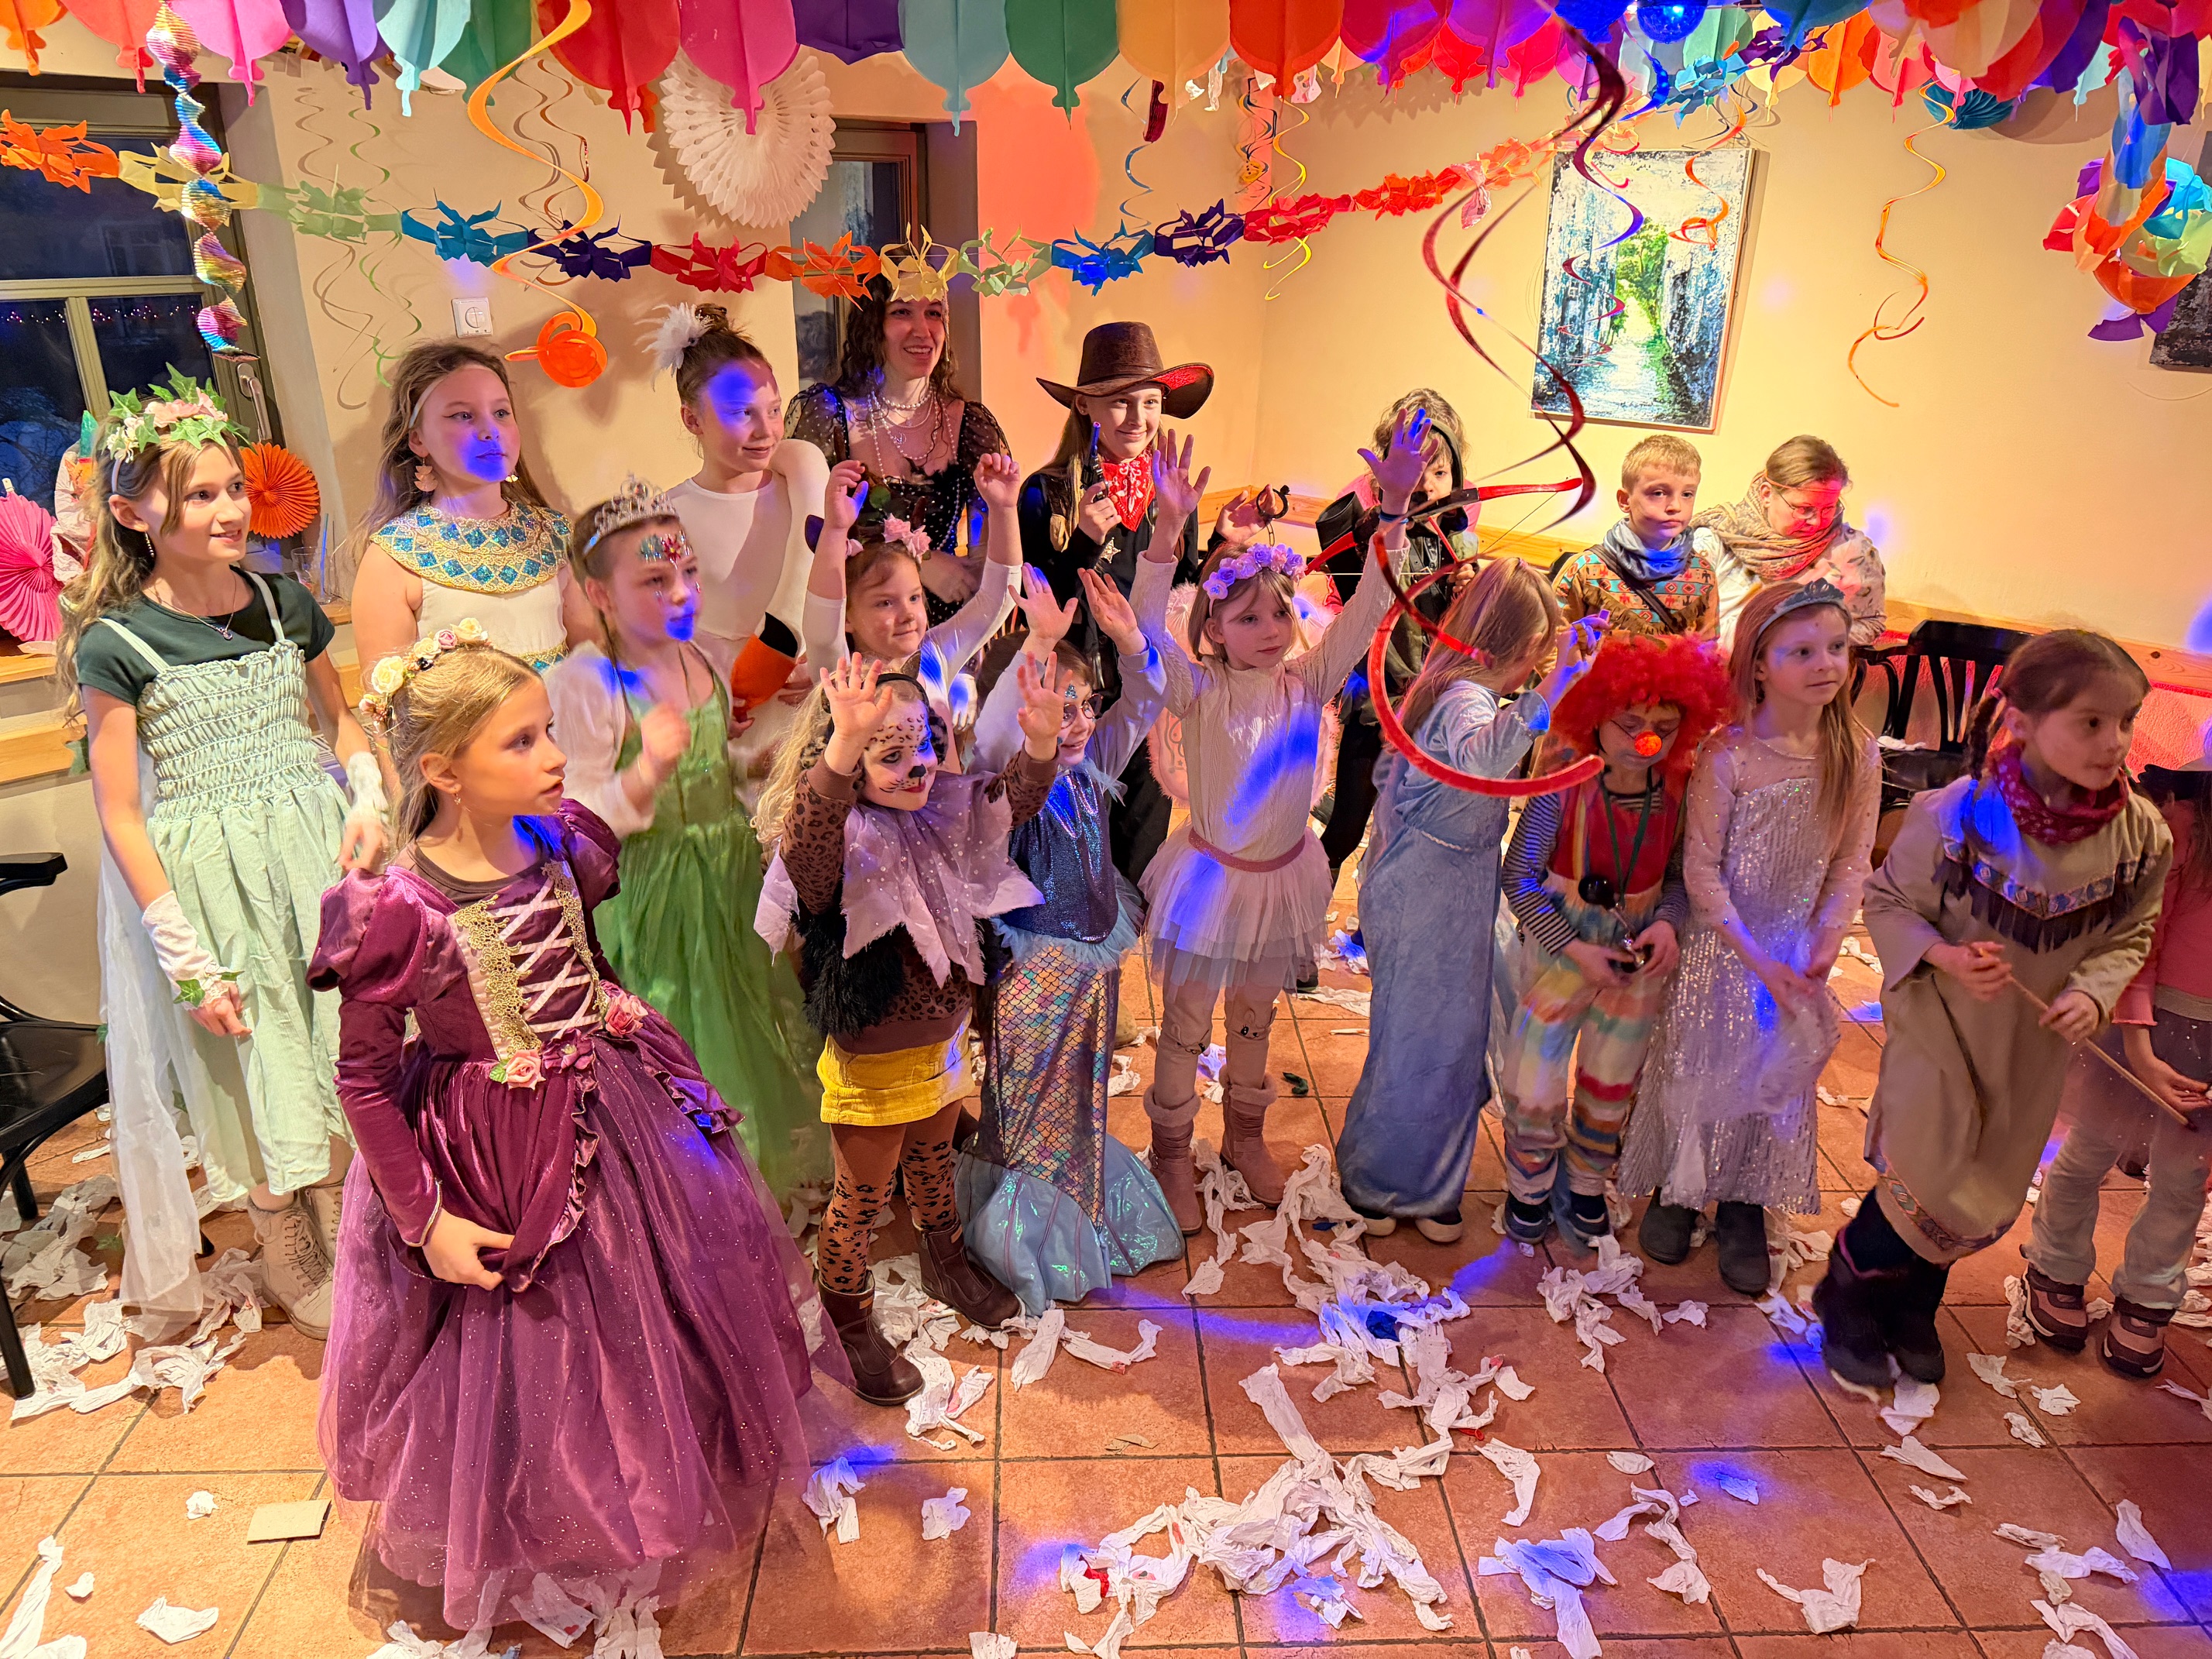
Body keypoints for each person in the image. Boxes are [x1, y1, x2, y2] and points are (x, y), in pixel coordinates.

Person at [311, 635, 838, 1636]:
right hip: (495, 1155)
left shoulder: (558, 839)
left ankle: (649, 1497)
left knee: (654, 1316)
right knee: (531, 1354)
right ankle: (543, 1530)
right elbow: (364, 1079)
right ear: (442, 770)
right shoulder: (399, 909)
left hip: (616, 1110)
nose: (555, 756)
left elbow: (585, 957)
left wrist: (620, 1023)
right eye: (522, 741)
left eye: (549, 731)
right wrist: (426, 1221)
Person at [62, 378, 385, 1340]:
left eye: (234, 488)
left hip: (313, 854)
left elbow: (342, 722)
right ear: (134, 515)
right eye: (199, 495)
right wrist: (181, 950)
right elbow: (121, 812)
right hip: (212, 880)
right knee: (251, 1053)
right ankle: (282, 1235)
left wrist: (368, 796)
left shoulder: (284, 604)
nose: (230, 509)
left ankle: (345, 1213)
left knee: (333, 1038)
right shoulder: (118, 642)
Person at [1813, 630, 2171, 1389]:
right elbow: (1890, 901)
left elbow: (2132, 934)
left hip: (2032, 1045)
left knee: (1984, 1178)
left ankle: (1915, 1305)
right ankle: (1848, 1290)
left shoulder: (2141, 838)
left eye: (2126, 721)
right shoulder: (1956, 816)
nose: (2115, 741)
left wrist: (2093, 990)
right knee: (1930, 1167)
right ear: (2024, 721)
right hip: (1942, 1023)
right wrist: (1943, 956)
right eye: (2091, 722)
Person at [754, 657, 1067, 1401]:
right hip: (874, 1058)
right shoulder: (840, 837)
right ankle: (845, 1312)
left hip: (945, 1040)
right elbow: (806, 852)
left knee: (932, 1158)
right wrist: (841, 751)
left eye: (923, 743)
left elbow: (1008, 803)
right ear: (848, 763)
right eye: (890, 754)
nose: (918, 765)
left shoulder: (945, 814)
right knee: (862, 1195)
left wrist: (1042, 745)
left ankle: (944, 1257)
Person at [1135, 422, 1412, 1230]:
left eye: (1280, 614)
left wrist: (1394, 510)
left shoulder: (1307, 682)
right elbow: (1146, 629)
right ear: (1214, 630)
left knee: (1255, 1017)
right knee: (1186, 1026)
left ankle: (1244, 1137)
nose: (1270, 629)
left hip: (1281, 878)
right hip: (1210, 882)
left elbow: (1371, 607)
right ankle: (1171, 1151)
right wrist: (1166, 530)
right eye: (1249, 618)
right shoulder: (1198, 689)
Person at [544, 478, 830, 1200]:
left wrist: (749, 764)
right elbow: (575, 817)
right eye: (654, 580)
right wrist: (645, 772)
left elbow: (710, 759)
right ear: (601, 594)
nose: (681, 593)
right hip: (653, 891)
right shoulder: (588, 681)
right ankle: (705, 1192)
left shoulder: (694, 654)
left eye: (689, 573)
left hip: (726, 873)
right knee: (688, 1029)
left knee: (745, 1019)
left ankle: (756, 1176)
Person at [1618, 580, 1881, 1294]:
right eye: (1803, 652)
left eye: (1837, 647)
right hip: (1723, 947)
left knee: (1768, 1077)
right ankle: (1679, 1187)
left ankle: (1742, 1201)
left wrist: (1825, 941)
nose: (1826, 664)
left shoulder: (1857, 755)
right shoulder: (1729, 754)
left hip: (1793, 950)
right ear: (1760, 665)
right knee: (1699, 1066)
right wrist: (1757, 960)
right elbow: (1701, 870)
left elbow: (1852, 860)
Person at [1334, 562, 1602, 1239]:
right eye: (1533, 657)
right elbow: (1483, 760)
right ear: (1515, 648)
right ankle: (1385, 1178)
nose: (1534, 670)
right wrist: (1552, 688)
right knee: (1418, 1035)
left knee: (1449, 1036)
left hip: (1452, 884)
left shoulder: (1461, 692)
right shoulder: (1462, 700)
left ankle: (1427, 1176)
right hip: (1427, 888)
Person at [953, 563, 1184, 1305]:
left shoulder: (1096, 761)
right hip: (1029, 966)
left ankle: (1078, 1208)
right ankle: (1026, 1232)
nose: (1075, 721)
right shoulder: (1004, 780)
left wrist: (1131, 644)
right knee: (1027, 1093)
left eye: (1082, 704)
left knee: (1082, 1088)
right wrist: (1035, 656)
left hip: (1092, 961)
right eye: (1056, 707)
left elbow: (1144, 699)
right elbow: (1000, 739)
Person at [1493, 631, 1734, 1247]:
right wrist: (1574, 947)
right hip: (1559, 951)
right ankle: (1528, 1185)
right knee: (1533, 1076)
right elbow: (1518, 878)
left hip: (1636, 960)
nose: (1647, 739)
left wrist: (1667, 922)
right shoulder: (1561, 787)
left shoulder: (1677, 794)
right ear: (1595, 717)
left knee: (1612, 1079)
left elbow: (1678, 875)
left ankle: (1585, 1182)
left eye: (1665, 727)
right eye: (1630, 723)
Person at [2023, 764, 2210, 1377]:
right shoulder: (2183, 831)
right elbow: (2139, 940)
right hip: (2146, 1024)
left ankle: (2149, 1296)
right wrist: (2139, 1047)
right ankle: (2055, 1262)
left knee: (2185, 1179)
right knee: (2091, 1148)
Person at [1017, 321, 1221, 882]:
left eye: (1150, 402)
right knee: (1075, 844)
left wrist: (1224, 545)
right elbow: (1037, 606)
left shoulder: (1171, 491)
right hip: (1077, 700)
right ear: (1085, 405)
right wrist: (1083, 541)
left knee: (1141, 844)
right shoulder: (1044, 492)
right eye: (1120, 401)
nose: (1137, 417)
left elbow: (1183, 591)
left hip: (1148, 688)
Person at [1311, 389, 1482, 891]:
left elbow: (1465, 636)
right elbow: (1365, 602)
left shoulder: (1462, 540)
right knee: (1346, 827)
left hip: (1433, 710)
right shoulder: (1375, 533)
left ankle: (1384, 919)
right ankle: (1301, 917)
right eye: (1415, 470)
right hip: (1376, 702)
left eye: (1440, 472)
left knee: (1409, 830)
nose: (1428, 485)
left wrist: (1469, 592)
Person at [651, 303, 826, 788]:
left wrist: (823, 658)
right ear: (693, 419)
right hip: (727, 725)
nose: (766, 430)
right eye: (742, 414)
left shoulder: (805, 494)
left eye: (773, 410)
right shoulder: (666, 517)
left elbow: (834, 596)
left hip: (808, 717)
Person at [349, 342, 593, 675]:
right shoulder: (391, 560)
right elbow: (387, 700)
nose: (490, 431)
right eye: (463, 416)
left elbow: (593, 662)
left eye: (501, 413)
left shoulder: (555, 535)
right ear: (418, 439)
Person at [786, 278, 1012, 631]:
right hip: (862, 631)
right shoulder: (829, 414)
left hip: (950, 635)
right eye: (902, 312)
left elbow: (989, 548)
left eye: (934, 314)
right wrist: (921, 561)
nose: (923, 331)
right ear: (872, 324)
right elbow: (808, 536)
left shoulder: (971, 424)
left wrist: (982, 562)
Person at [800, 453, 1022, 682]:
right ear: (846, 618)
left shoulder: (935, 658)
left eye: (914, 598)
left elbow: (998, 598)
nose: (908, 615)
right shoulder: (839, 672)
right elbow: (823, 629)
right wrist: (835, 530)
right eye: (885, 603)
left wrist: (1004, 508)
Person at [1693, 435, 1888, 652]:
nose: (1817, 522)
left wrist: (1810, 639)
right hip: (1713, 669)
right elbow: (1683, 624)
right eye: (1804, 509)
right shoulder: (1717, 539)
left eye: (1829, 509)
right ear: (1767, 494)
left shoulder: (1853, 552)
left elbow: (1870, 623)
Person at [1551, 434, 1719, 641]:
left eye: (1687, 494)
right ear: (1625, 500)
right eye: (1658, 493)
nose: (1675, 506)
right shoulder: (1586, 570)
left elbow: (1708, 646)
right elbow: (1550, 643)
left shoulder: (1701, 574)